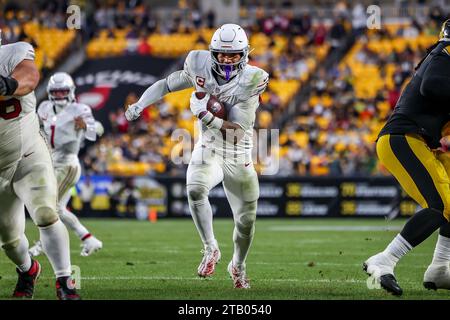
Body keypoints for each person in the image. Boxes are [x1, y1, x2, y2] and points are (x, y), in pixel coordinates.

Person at [125, 24, 269, 288]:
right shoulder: (198, 63)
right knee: (194, 188)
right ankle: (210, 247)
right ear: (212, 52)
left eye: (234, 55)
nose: (227, 60)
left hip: (238, 153)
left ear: (244, 54)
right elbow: (167, 84)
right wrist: (140, 104)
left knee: (246, 222)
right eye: (222, 54)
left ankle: (238, 265)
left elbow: (236, 133)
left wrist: (206, 116)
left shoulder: (253, 79)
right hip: (210, 148)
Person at [363, 20, 450, 296]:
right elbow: (433, 86)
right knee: (438, 205)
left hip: (419, 140)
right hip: (403, 138)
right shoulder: (445, 50)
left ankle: (441, 268)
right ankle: (385, 259)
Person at [0, 31, 80, 299]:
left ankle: (65, 281)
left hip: (28, 155)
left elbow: (30, 77)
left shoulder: (13, 52)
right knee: (10, 241)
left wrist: (8, 85)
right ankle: (27, 270)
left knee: (46, 212)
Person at [30, 72, 103, 258]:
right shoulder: (44, 107)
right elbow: (37, 130)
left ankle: (42, 245)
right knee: (56, 209)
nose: (60, 95)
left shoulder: (80, 109)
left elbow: (98, 129)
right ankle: (88, 239)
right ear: (49, 92)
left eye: (63, 91)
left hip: (68, 165)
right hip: (50, 164)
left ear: (70, 92)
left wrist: (86, 126)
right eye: (56, 92)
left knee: (49, 207)